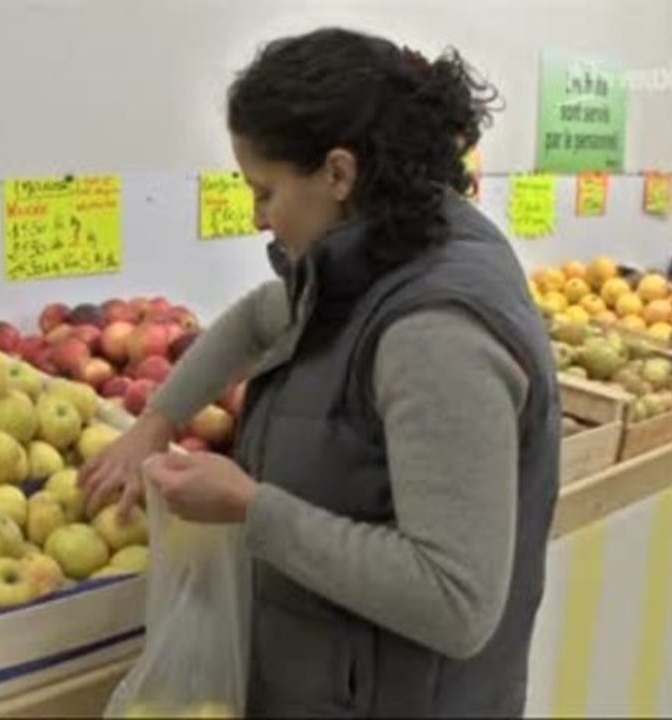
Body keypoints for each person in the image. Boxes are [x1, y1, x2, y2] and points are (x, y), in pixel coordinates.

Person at [79, 27, 561, 718]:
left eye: (265, 190)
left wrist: (250, 508)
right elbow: (257, 317)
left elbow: (455, 601)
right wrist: (154, 422)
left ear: (338, 173)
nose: (255, 216)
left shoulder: (433, 335)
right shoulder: (386, 249)